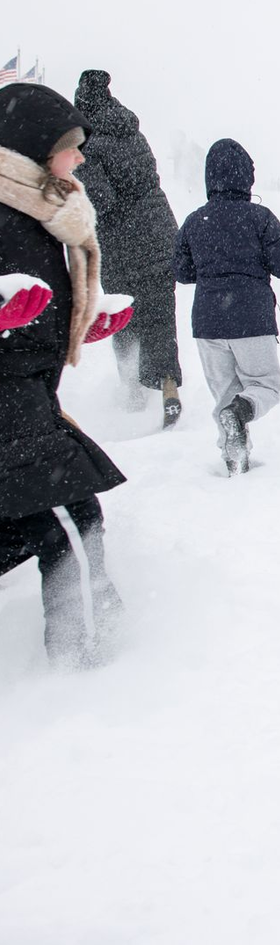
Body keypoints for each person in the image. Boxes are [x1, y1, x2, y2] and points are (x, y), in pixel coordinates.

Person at [0, 83, 131, 666]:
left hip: (28, 393)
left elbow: (38, 298)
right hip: (10, 402)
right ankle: (86, 660)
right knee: (68, 516)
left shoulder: (40, 210)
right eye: (70, 146)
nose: (79, 158)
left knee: (40, 520)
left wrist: (81, 324)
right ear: (33, 147)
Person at [174, 138, 280, 474]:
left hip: (207, 322)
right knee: (264, 387)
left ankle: (234, 458)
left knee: (224, 394)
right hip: (251, 319)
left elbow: (182, 273)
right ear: (247, 177)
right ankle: (241, 414)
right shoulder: (260, 218)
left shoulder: (194, 221)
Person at [72, 70, 184, 429]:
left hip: (124, 244)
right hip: (161, 234)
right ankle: (168, 388)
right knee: (161, 318)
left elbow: (101, 200)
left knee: (125, 317)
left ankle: (133, 394)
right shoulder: (132, 130)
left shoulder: (88, 145)